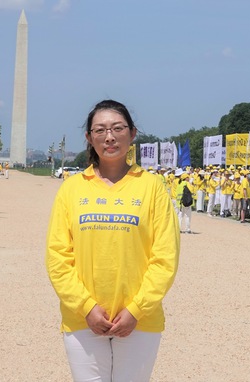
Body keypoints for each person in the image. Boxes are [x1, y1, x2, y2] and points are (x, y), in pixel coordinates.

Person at [46, 100, 180, 382]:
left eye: (118, 128)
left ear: (132, 133)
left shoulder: (152, 187)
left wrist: (136, 310)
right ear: (89, 138)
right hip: (82, 319)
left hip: (139, 321)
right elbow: (58, 257)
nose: (109, 137)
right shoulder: (72, 188)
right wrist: (86, 307)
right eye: (100, 130)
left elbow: (165, 258)